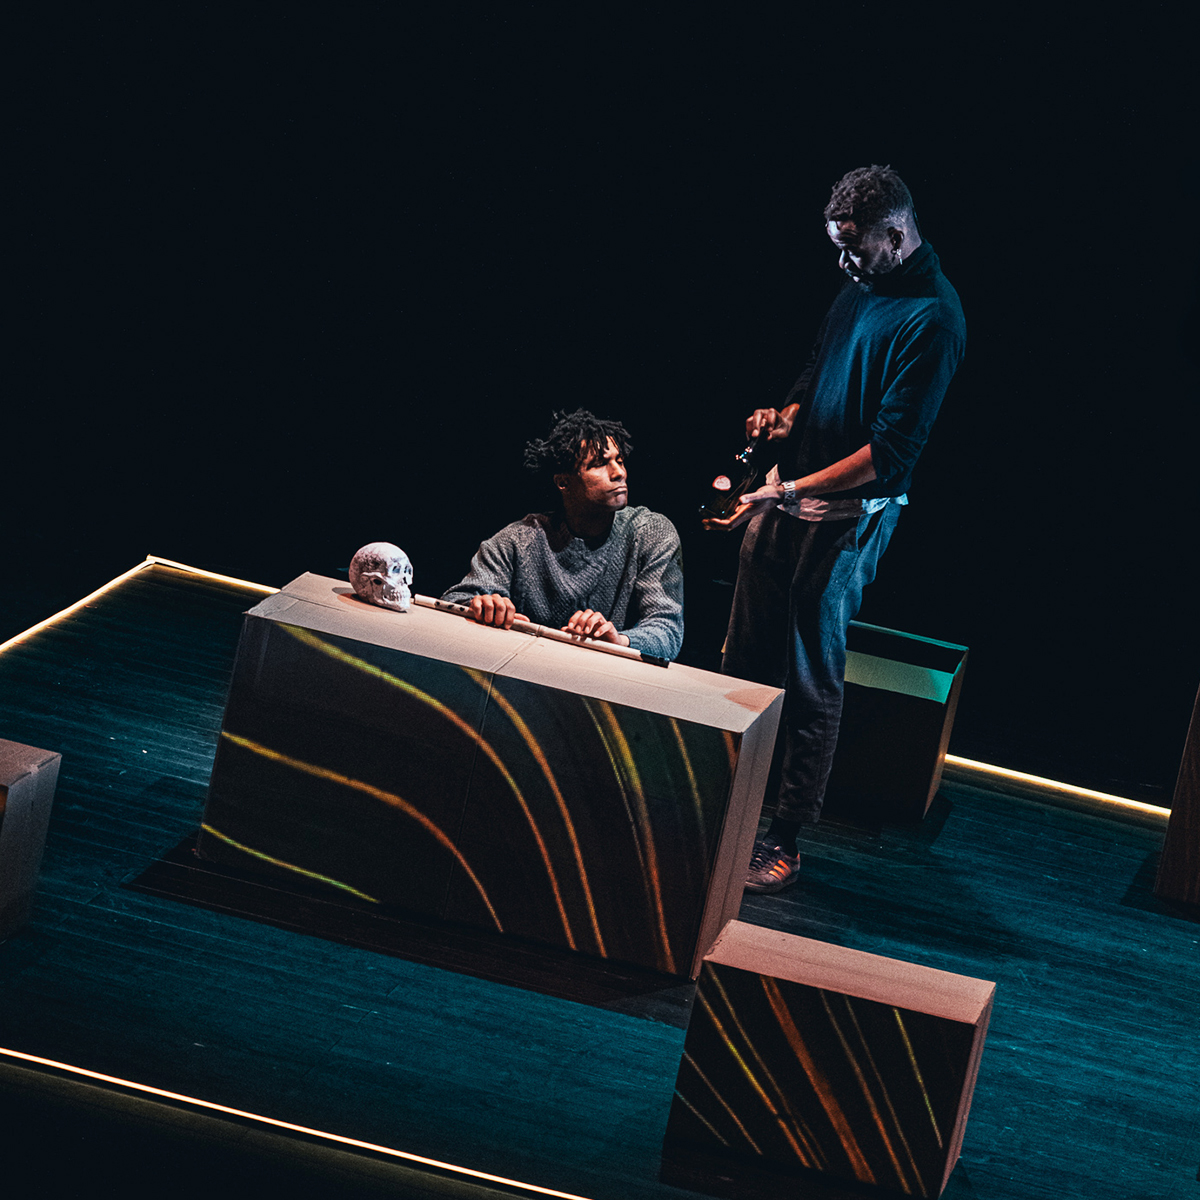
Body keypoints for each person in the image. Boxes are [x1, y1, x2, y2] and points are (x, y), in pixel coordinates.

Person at [705, 164, 966, 893]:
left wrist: (787, 489)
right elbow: (816, 374)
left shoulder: (935, 319)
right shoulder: (857, 288)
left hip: (846, 523)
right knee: (743, 656)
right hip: (784, 503)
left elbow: (888, 455)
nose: (845, 262)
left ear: (897, 234)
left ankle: (785, 839)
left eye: (855, 248)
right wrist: (782, 418)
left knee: (809, 672)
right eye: (838, 247)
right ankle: (723, 800)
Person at [442, 408, 684, 661]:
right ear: (563, 482)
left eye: (619, 461)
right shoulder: (518, 541)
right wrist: (483, 606)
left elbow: (667, 631)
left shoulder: (651, 533)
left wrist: (618, 641)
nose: (619, 473)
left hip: (609, 677)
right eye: (600, 464)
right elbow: (454, 603)